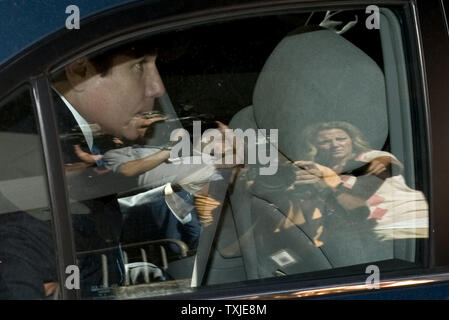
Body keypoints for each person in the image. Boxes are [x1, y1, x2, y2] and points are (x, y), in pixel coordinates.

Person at [293, 121, 429, 240]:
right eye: (325, 142)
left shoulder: (372, 157)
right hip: (374, 233)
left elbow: (366, 187)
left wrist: (324, 182)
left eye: (341, 139)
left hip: (408, 224)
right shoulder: (320, 174)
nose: (335, 145)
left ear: (352, 140)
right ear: (314, 147)